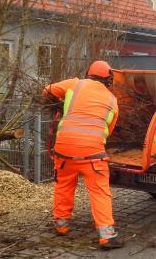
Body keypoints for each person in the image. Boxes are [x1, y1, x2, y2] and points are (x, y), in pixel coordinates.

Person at [43, 60, 123, 249]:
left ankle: (61, 225)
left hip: (64, 149)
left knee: (63, 185)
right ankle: (106, 235)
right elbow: (108, 130)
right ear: (108, 80)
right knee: (100, 191)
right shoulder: (113, 100)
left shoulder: (75, 84)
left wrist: (61, 104)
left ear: (89, 74)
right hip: (92, 154)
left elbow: (47, 90)